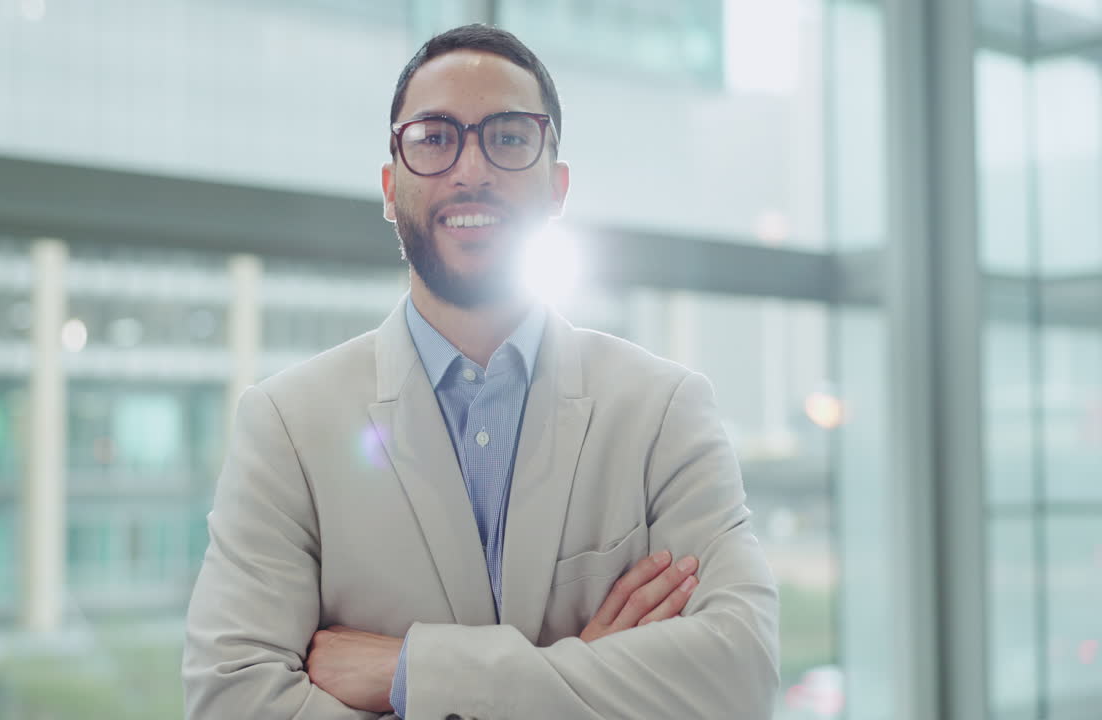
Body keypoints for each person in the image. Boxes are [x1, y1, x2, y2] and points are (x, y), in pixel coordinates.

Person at [183, 24, 779, 720]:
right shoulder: (286, 427)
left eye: (508, 136)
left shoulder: (663, 411)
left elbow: (741, 676)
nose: (471, 169)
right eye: (434, 137)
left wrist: (409, 671)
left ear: (556, 186)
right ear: (389, 185)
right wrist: (584, 669)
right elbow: (230, 700)